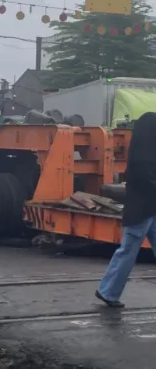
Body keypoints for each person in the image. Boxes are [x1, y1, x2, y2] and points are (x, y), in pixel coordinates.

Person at [96, 112, 156, 307]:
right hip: (142, 211)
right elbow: (146, 182)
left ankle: (108, 291)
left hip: (148, 210)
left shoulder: (142, 155)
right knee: (128, 251)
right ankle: (108, 291)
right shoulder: (144, 160)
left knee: (127, 251)